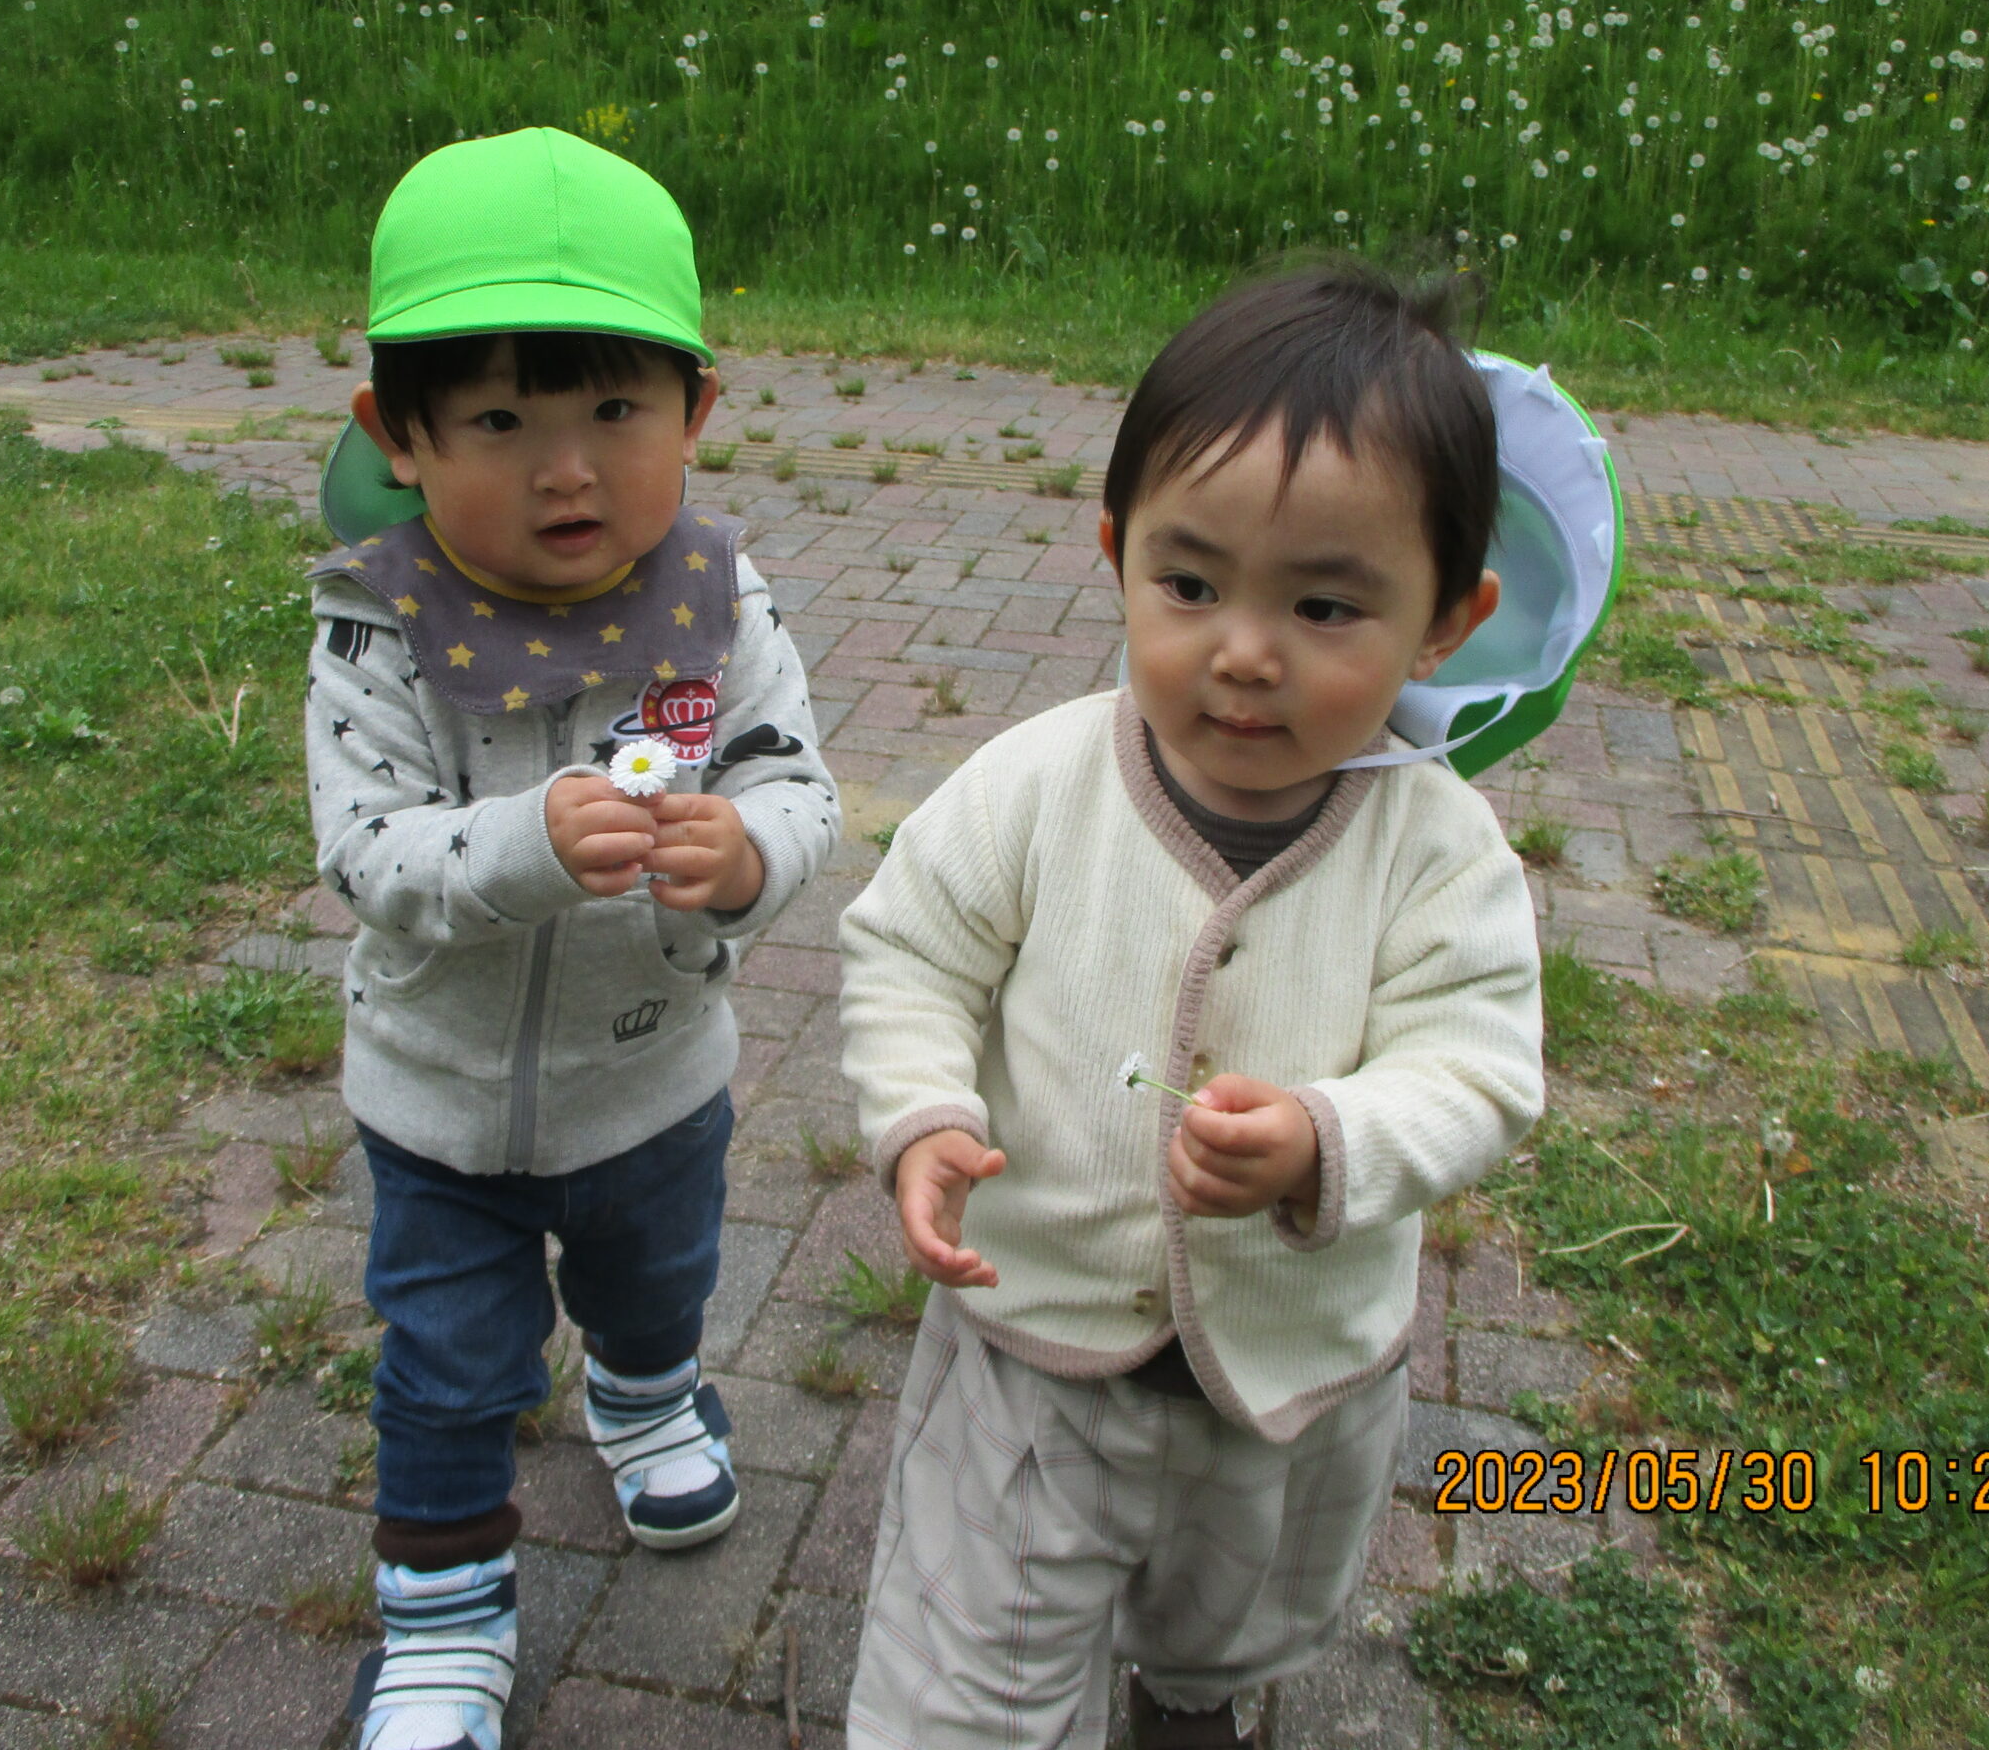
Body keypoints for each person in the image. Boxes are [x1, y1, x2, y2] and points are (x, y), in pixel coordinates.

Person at [837, 260, 1546, 1750]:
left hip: (1289, 1384)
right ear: (1116, 553)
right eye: (1190, 584)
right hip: (1034, 1355)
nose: (1243, 650)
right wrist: (923, 1115)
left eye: (1327, 605)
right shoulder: (1037, 784)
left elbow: (1478, 1068)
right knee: (968, 1689)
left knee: (1234, 1627)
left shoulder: (1440, 852)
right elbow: (913, 949)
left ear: (1447, 621)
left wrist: (1328, 1138)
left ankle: (1194, 1698)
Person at [304, 127, 839, 1750]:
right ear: (397, 435)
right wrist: (524, 847)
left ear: (697, 410)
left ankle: (647, 1393)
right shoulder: (378, 625)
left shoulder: (716, 608)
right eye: (498, 423)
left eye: (616, 413)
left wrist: (747, 855)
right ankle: (445, 1620)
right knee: (449, 1368)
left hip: (654, 1080)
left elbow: (794, 783)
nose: (567, 472)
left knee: (658, 1281)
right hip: (439, 1103)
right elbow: (365, 848)